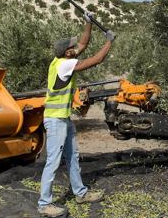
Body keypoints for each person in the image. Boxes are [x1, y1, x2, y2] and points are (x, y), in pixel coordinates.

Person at [38, 12, 116, 218]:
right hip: (55, 120)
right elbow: (96, 59)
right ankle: (44, 203)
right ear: (67, 53)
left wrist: (88, 23)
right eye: (72, 48)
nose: (76, 48)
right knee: (53, 160)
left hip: (64, 118)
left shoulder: (62, 59)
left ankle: (80, 193)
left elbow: (84, 43)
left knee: (72, 156)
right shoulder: (64, 65)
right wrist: (109, 42)